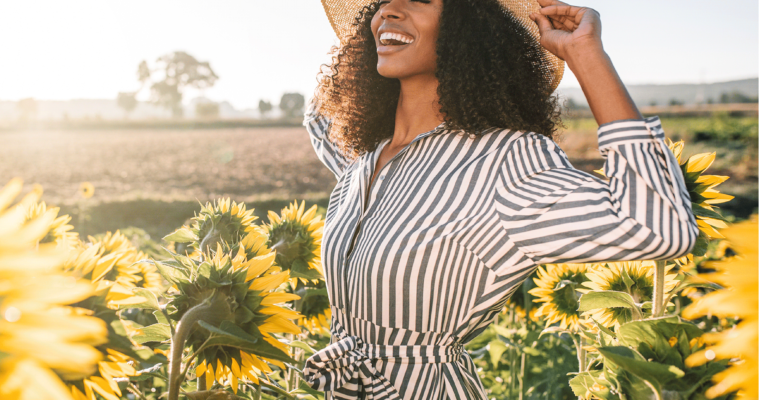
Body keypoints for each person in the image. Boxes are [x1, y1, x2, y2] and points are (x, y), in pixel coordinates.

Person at [299, 0, 699, 399]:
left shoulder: (504, 162)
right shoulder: (364, 160)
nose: (389, 9)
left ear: (470, 25)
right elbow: (318, 116)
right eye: (382, 0)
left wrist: (586, 55)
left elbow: (660, 225)